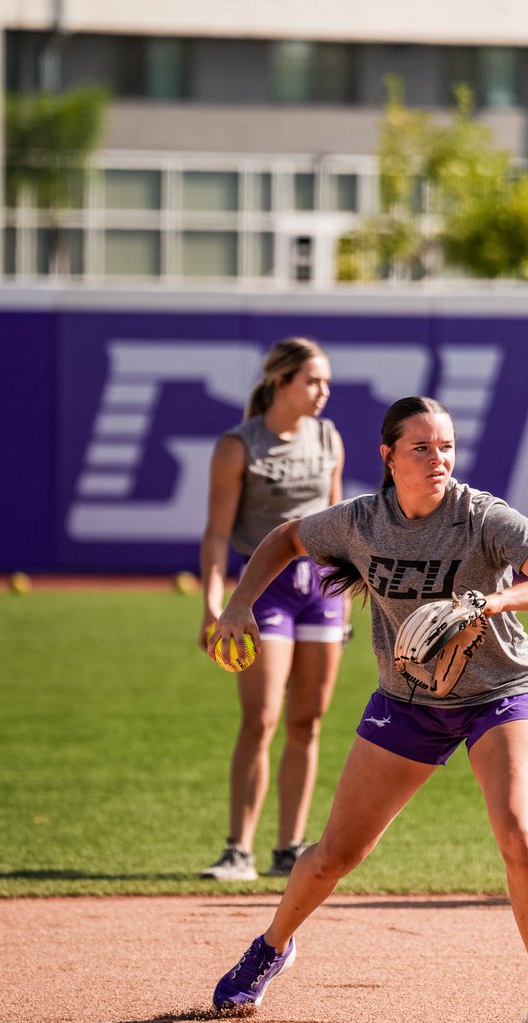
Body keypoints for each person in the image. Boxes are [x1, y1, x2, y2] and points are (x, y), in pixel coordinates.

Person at [206, 395, 528, 1023]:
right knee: (335, 854)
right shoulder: (362, 522)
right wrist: (238, 603)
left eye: (446, 445)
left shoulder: (481, 517)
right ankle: (272, 946)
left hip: (501, 690)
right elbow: (284, 538)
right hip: (408, 701)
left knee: (518, 833)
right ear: (388, 457)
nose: (438, 458)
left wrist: (493, 603)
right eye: (422, 447)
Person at [198, 337, 347, 882]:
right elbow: (216, 532)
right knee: (261, 719)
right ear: (281, 381)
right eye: (312, 380)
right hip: (265, 593)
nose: (323, 391)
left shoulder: (328, 437)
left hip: (321, 592)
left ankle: (289, 847)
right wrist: (214, 604)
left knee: (307, 721)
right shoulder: (240, 445)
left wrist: (347, 603)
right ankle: (238, 849)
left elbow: (337, 527)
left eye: (326, 381)